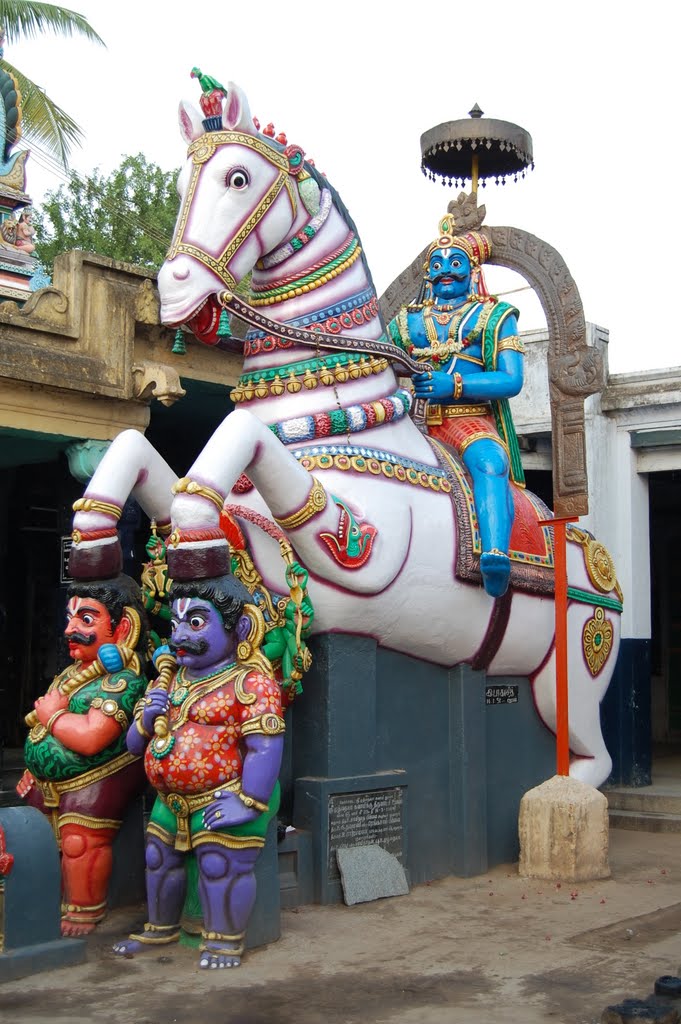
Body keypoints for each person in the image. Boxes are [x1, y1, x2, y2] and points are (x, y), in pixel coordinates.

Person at [113, 573, 285, 970]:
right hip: (170, 800)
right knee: (158, 857)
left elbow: (265, 746)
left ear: (239, 627)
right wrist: (146, 718)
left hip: (228, 794)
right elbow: (133, 746)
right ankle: (160, 928)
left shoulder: (251, 683)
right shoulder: (169, 681)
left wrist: (249, 800)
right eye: (175, 624)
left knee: (218, 864)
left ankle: (225, 940)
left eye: (195, 622)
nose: (179, 636)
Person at [390, 214, 525, 598]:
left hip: (466, 419)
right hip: (412, 420)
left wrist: (457, 384)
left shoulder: (496, 317)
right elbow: (377, 362)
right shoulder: (407, 322)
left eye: (455, 264)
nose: (445, 271)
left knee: (489, 462)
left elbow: (511, 379)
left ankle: (495, 552)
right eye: (436, 265)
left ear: (472, 269)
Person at [17, 574, 148, 935]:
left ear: (122, 628)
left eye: (86, 619)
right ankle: (40, 898)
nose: (70, 629)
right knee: (29, 835)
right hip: (50, 782)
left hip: (97, 778)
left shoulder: (121, 680)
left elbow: (93, 737)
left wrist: (54, 716)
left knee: (79, 840)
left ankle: (83, 909)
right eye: (70, 618)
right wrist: (36, 767)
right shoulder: (72, 673)